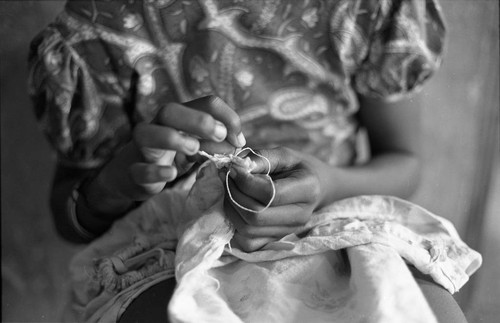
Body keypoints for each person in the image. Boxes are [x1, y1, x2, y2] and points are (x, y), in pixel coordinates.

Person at [28, 0, 477, 322]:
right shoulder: (98, 24)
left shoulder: (367, 9)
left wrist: (326, 182)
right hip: (165, 249)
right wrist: (119, 182)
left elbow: (404, 161)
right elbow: (70, 216)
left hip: (341, 223)